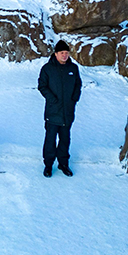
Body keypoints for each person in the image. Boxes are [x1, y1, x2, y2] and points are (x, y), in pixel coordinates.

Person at [37, 40, 81, 178]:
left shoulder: (73, 68)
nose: (64, 55)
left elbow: (78, 85)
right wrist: (52, 99)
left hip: (67, 112)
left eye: (66, 53)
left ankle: (63, 164)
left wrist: (74, 99)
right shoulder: (47, 69)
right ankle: (48, 165)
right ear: (56, 54)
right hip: (53, 112)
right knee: (50, 140)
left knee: (65, 139)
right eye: (62, 53)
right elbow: (42, 86)